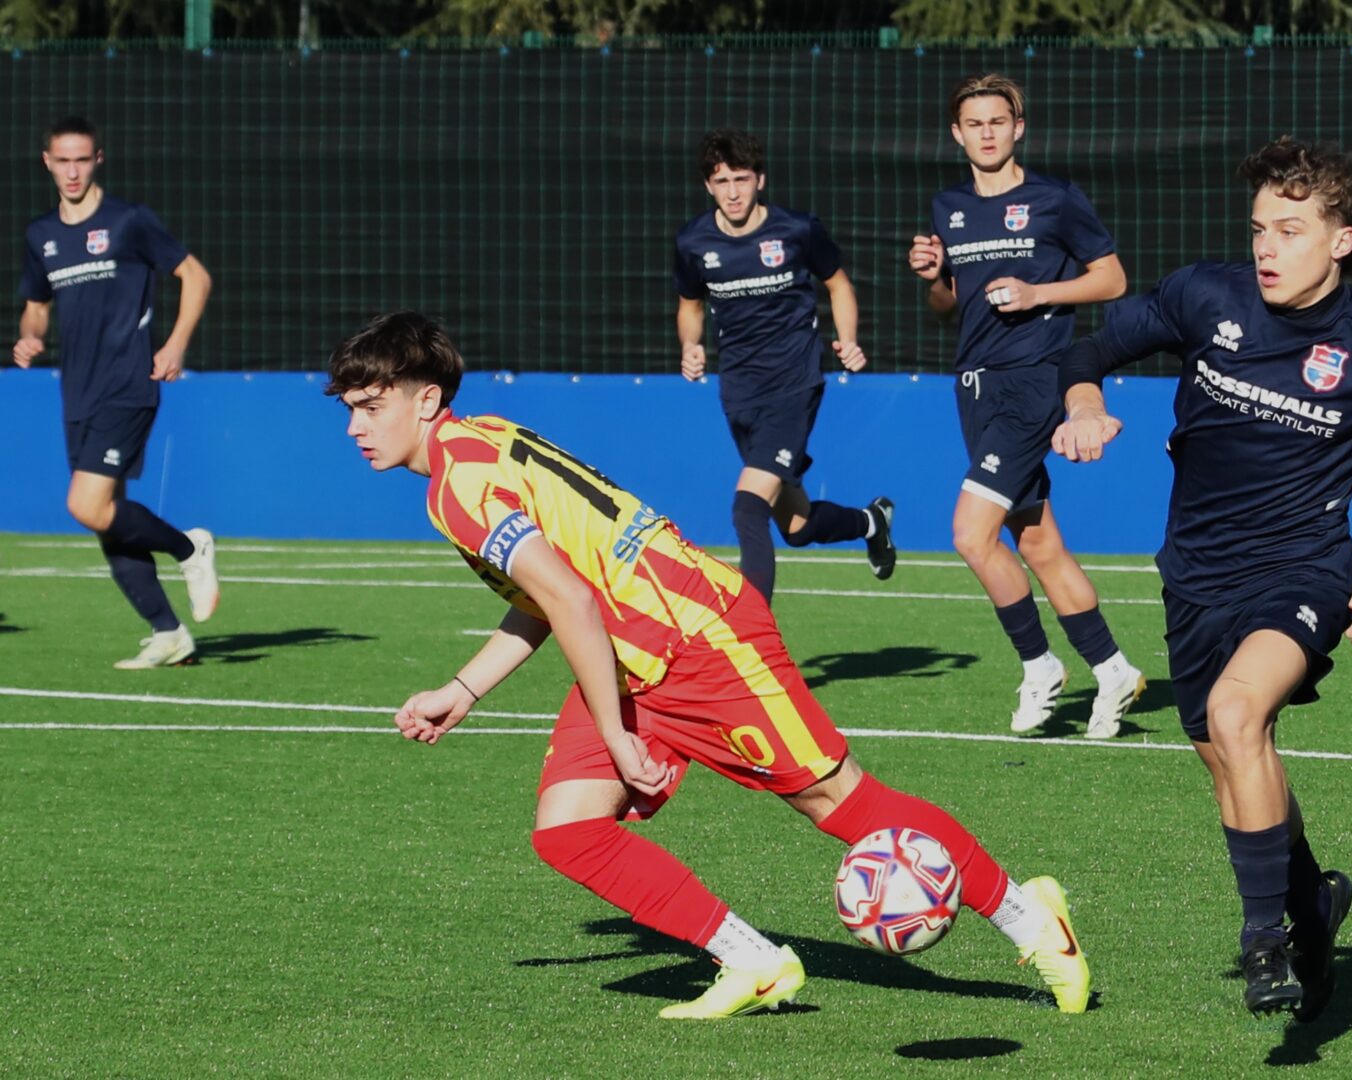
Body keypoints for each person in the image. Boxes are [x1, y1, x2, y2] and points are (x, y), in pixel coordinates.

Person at [327, 311, 1094, 1020]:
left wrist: (615, 734)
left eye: (371, 406)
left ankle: (1031, 919)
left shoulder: (459, 487)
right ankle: (752, 961)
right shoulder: (483, 439)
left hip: (700, 639)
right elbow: (554, 594)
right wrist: (464, 688)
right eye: (350, 409)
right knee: (568, 831)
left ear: (427, 400)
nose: (356, 427)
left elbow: (569, 600)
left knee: (838, 800)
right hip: (633, 653)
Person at [1053, 137, 1352, 1019]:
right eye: (1258, 228)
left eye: (1289, 231)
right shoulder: (1202, 295)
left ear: (1339, 241)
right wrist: (1085, 404)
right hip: (1193, 576)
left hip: (1302, 569)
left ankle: (1264, 944)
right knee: (1230, 761)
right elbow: (1082, 355)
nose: (1265, 248)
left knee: (1235, 714)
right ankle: (1311, 906)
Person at [906, 74, 1145, 738]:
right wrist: (933, 277)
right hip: (974, 385)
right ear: (956, 134)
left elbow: (1112, 278)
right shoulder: (948, 207)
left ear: (1018, 127)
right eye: (973, 124)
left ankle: (1039, 665)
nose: (986, 133)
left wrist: (1040, 294)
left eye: (996, 121)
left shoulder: (1054, 199)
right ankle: (1113, 669)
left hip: (1032, 382)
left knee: (969, 534)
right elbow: (947, 305)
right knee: (1038, 543)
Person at [13, 116, 218, 668]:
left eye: (82, 160)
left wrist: (175, 345)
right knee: (107, 515)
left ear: (98, 160)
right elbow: (36, 308)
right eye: (62, 161)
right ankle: (169, 633)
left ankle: (189, 547)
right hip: (76, 393)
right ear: (47, 162)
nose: (72, 171)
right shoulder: (41, 235)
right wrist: (30, 337)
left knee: (85, 504)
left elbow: (196, 277)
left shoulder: (129, 221)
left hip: (128, 384)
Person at [674, 129, 895, 605]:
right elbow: (690, 304)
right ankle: (871, 522)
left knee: (747, 508)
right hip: (738, 393)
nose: (733, 192)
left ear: (760, 180)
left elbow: (838, 284)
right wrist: (691, 346)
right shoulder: (693, 241)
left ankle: (753, 636)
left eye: (742, 179)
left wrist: (848, 339)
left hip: (793, 386)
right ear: (708, 186)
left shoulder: (796, 230)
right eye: (722, 181)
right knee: (797, 526)